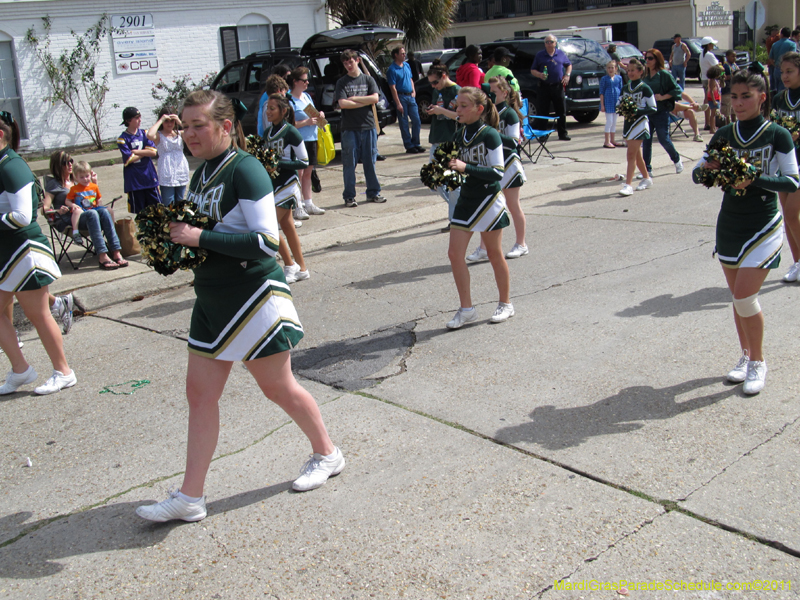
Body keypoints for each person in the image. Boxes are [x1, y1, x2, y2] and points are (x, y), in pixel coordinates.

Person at [135, 89, 344, 523]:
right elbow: (206, 232)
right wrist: (178, 245)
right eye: (185, 125)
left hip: (252, 297)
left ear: (226, 127)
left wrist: (198, 238)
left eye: (199, 125)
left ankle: (327, 453)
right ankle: (191, 496)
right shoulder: (203, 173)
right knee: (199, 394)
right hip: (212, 298)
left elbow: (266, 242)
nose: (189, 133)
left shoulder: (246, 170)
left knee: (277, 387)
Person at [691, 66, 799, 395]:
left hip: (763, 225)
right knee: (737, 301)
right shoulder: (724, 134)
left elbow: (793, 181)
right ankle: (745, 356)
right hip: (730, 224)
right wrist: (706, 169)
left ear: (762, 98)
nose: (738, 103)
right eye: (734, 96)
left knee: (745, 298)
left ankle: (759, 362)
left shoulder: (776, 134)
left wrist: (756, 178)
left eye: (746, 96)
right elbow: (698, 172)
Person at [0, 111, 76, 396]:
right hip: (9, 254)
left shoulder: (11, 166)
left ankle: (64, 372)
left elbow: (22, 216)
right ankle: (20, 370)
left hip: (24, 252)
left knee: (38, 314)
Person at [444, 86, 514, 328]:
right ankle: (466, 309)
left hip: (488, 201)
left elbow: (497, 172)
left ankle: (505, 303)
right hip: (466, 200)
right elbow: (455, 168)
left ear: (479, 109)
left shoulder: (490, 135)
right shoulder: (458, 135)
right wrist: (442, 174)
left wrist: (466, 168)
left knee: (494, 253)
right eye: (457, 104)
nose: (458, 109)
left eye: (464, 105)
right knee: (454, 255)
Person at [466, 77, 528, 261]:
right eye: (488, 91)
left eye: (493, 91)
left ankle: (521, 244)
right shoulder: (486, 113)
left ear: (505, 93)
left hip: (509, 166)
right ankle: (484, 248)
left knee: (513, 206)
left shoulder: (510, 114)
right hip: (493, 166)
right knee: (488, 207)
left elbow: (515, 142)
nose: (490, 94)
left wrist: (493, 135)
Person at [46, 156, 127, 271]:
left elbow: (96, 201)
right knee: (93, 214)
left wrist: (95, 183)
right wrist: (58, 210)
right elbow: (45, 208)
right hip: (69, 218)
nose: (70, 164)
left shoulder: (79, 179)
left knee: (104, 211)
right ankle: (102, 255)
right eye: (65, 162)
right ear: (57, 165)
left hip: (88, 214)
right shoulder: (54, 184)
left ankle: (116, 251)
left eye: (71, 161)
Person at [263, 93, 311, 284]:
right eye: (267, 108)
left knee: (270, 228)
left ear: (283, 111)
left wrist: (280, 164)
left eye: (272, 108)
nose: (268, 112)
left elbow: (304, 161)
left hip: (289, 185)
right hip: (273, 186)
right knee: (287, 226)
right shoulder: (267, 134)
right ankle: (302, 269)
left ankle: (290, 265)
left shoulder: (291, 132)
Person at [334, 49, 386, 208]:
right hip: (349, 128)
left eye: (350, 61)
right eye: (345, 63)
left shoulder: (368, 80)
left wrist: (355, 99)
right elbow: (342, 103)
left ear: (357, 60)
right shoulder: (342, 82)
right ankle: (349, 196)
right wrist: (364, 101)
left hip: (368, 125)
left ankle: (373, 192)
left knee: (370, 160)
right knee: (349, 163)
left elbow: (375, 98)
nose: (348, 65)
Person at [772, 52, 800, 283]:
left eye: (790, 71)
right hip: (784, 162)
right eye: (782, 71)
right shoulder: (779, 98)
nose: (784, 76)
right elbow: (773, 127)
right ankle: (797, 262)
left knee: (792, 215)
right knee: (787, 216)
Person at [425, 61, 460, 230]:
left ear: (444, 76)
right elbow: (437, 109)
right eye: (431, 83)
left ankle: (455, 219)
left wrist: (442, 111)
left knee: (452, 184)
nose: (433, 86)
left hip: (451, 141)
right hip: (437, 138)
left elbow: (460, 117)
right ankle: (460, 209)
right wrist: (432, 110)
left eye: (435, 82)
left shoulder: (458, 92)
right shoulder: (436, 91)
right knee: (434, 180)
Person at [288, 67, 326, 219]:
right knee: (299, 172)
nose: (307, 83)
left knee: (309, 172)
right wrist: (306, 122)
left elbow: (314, 115)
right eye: (304, 80)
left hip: (312, 138)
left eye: (307, 80)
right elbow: (290, 124)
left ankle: (308, 203)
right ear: (295, 82)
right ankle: (297, 206)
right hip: (299, 140)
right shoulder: (290, 100)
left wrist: (320, 116)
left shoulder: (306, 97)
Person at [642, 48, 684, 176]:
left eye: (650, 58)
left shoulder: (664, 75)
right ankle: (647, 169)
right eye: (646, 58)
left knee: (663, 138)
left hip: (661, 111)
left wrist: (663, 96)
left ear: (657, 60)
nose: (647, 61)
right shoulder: (645, 75)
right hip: (647, 112)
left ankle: (676, 159)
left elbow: (677, 91)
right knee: (646, 140)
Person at [618, 58, 656, 197]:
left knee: (631, 154)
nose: (630, 73)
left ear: (640, 71)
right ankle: (646, 178)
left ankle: (628, 185)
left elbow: (653, 108)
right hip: (628, 124)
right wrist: (622, 109)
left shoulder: (645, 88)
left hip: (640, 124)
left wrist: (637, 111)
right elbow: (619, 103)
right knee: (637, 155)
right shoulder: (625, 88)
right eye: (628, 70)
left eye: (633, 70)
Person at [118, 107, 160, 214]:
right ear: (128, 121)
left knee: (157, 208)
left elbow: (153, 152)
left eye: (140, 117)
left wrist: (137, 152)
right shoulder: (122, 139)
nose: (140, 120)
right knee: (140, 212)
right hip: (134, 181)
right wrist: (145, 152)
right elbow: (129, 159)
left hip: (149, 177)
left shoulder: (145, 133)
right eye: (136, 118)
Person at [530, 35, 572, 141]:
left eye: (551, 42)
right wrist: (540, 75)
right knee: (543, 111)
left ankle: (563, 134)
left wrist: (567, 75)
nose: (549, 44)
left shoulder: (560, 53)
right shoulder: (540, 55)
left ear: (555, 43)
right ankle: (542, 134)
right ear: (544, 44)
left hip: (557, 86)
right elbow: (532, 70)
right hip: (544, 86)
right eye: (547, 42)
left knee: (561, 110)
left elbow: (569, 65)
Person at [146, 110, 190, 205]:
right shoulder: (159, 135)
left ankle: (180, 220)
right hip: (167, 172)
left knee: (180, 203)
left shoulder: (180, 133)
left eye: (172, 121)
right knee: (169, 204)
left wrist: (179, 121)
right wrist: (161, 120)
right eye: (167, 121)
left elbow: (191, 131)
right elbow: (149, 135)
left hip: (180, 169)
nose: (169, 124)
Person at [387, 46, 424, 154]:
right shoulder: (392, 69)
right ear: (396, 55)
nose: (404, 55)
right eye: (402, 53)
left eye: (404, 53)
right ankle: (409, 145)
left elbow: (410, 79)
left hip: (410, 96)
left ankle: (416, 143)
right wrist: (398, 103)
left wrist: (413, 91)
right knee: (404, 123)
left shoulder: (407, 65)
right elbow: (392, 87)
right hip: (401, 97)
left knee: (416, 120)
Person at [599, 60, 623, 148]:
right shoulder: (604, 79)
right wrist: (602, 105)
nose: (610, 69)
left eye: (612, 67)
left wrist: (621, 102)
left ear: (615, 68)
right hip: (608, 102)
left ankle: (613, 140)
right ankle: (606, 141)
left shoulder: (619, 78)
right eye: (609, 68)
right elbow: (601, 92)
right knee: (609, 121)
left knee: (614, 122)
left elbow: (621, 90)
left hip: (616, 102)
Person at [699, 37, 720, 130]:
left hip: (703, 78)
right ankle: (711, 123)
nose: (713, 45)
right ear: (708, 45)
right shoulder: (709, 55)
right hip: (710, 79)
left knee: (706, 99)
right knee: (711, 100)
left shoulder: (701, 54)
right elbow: (717, 66)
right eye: (712, 44)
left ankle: (707, 122)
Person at [769, 27, 798, 94]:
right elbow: (792, 57)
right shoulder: (792, 44)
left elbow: (770, 58)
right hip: (787, 70)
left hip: (776, 69)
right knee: (784, 90)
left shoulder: (775, 44)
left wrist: (775, 64)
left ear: (781, 34)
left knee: (777, 88)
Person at [721, 50, 739, 124]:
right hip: (727, 91)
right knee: (727, 111)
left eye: (735, 56)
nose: (734, 58)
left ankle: (734, 124)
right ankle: (727, 125)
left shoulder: (735, 65)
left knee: (733, 110)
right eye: (732, 56)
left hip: (734, 90)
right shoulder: (726, 66)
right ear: (727, 57)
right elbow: (724, 77)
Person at [705, 65, 723, 134]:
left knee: (714, 113)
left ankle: (714, 127)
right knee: (713, 114)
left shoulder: (713, 80)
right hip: (713, 99)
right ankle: (712, 128)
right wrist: (714, 100)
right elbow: (711, 91)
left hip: (716, 97)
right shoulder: (712, 81)